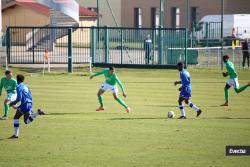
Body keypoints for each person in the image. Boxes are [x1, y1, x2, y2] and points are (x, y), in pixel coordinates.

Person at [9, 74, 45, 139]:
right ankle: (37, 113)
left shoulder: (18, 86)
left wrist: (12, 103)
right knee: (26, 121)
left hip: (24, 104)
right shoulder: (26, 86)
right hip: (29, 103)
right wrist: (30, 106)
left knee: (16, 117)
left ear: (17, 80)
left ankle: (16, 135)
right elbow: (30, 95)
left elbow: (19, 98)